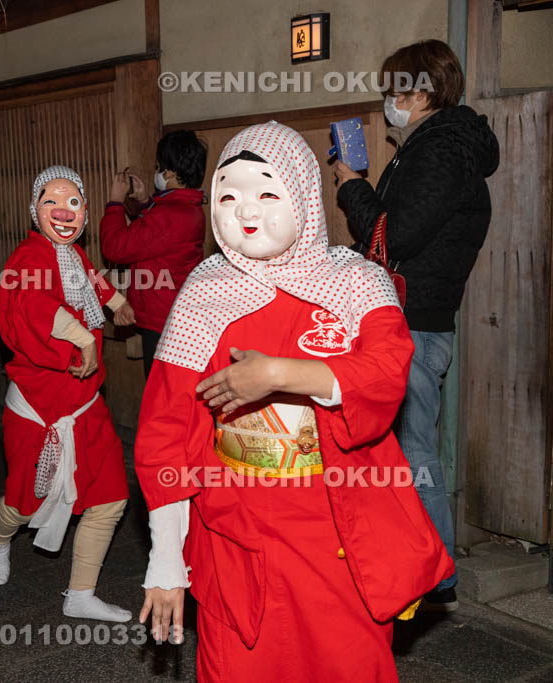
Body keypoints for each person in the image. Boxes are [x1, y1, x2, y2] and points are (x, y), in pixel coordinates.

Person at [135, 122, 454, 681]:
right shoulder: (203, 293)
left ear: (303, 194)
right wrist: (165, 558)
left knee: (347, 664)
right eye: (228, 195)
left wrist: (279, 374)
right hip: (237, 532)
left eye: (266, 192)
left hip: (337, 529)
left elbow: (387, 373)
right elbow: (166, 432)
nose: (244, 210)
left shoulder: (355, 281)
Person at [335, 39, 499, 611]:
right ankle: (415, 562)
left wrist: (352, 185)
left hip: (415, 324)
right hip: (414, 320)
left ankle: (437, 570)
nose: (389, 101)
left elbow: (395, 236)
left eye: (396, 90)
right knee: (399, 449)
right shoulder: (435, 146)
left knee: (411, 451)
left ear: (422, 93)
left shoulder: (441, 150)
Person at [0, 165, 135, 622]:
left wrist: (117, 302)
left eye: (73, 202)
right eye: (52, 201)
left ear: (85, 211)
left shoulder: (73, 254)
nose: (64, 211)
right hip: (39, 408)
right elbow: (33, 306)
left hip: (85, 403)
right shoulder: (29, 257)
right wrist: (83, 338)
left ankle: (80, 595)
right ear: (35, 210)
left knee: (110, 496)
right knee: (22, 504)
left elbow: (89, 278)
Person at [100, 130, 208, 375]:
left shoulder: (169, 215)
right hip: (173, 313)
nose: (156, 172)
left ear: (168, 173)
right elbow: (157, 239)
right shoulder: (188, 207)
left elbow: (115, 247)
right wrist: (145, 202)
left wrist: (115, 201)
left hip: (162, 321)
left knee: (159, 389)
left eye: (158, 167)